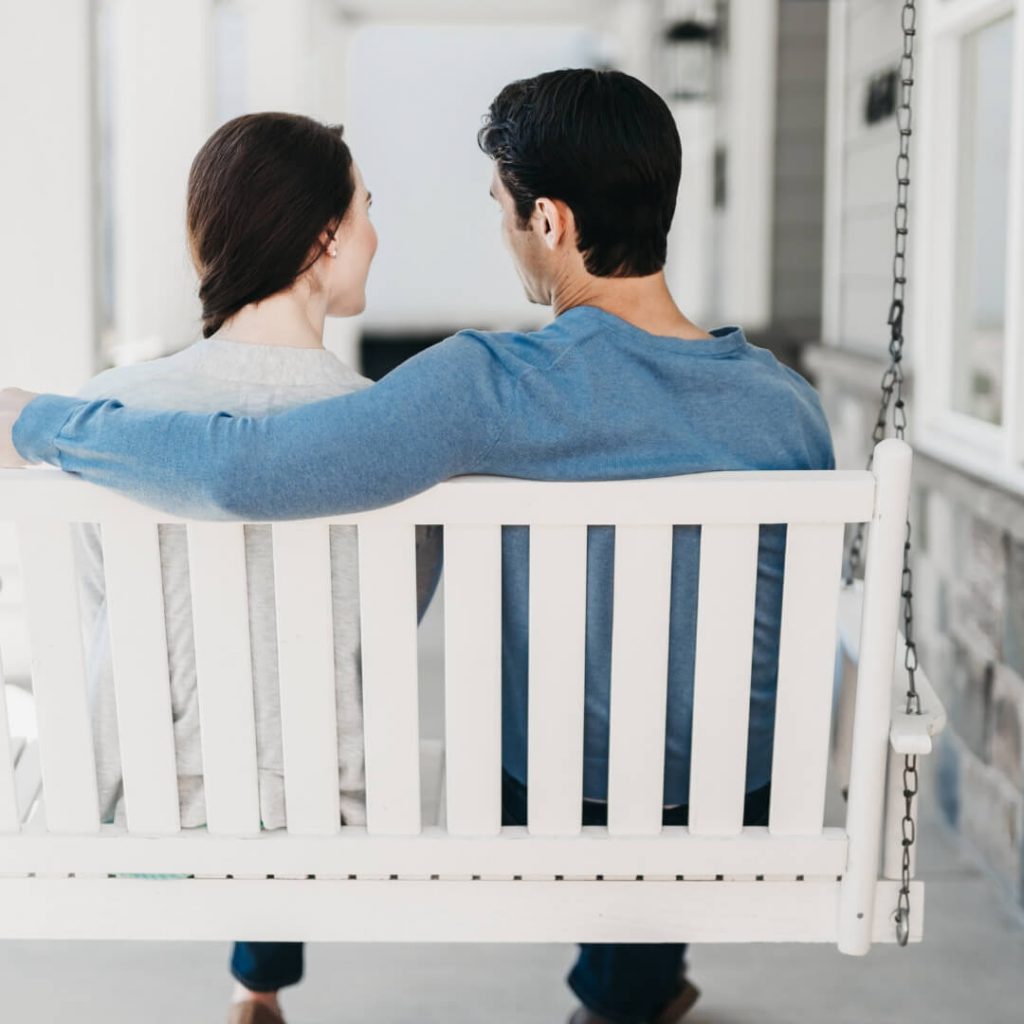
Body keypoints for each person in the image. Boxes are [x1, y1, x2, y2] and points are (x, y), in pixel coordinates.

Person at [3, 69, 834, 1024]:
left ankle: (271, 976)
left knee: (572, 740)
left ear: (552, 224)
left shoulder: (492, 385)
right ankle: (627, 995)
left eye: (504, 211)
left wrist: (38, 422)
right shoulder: (786, 407)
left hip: (555, 798)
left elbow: (251, 470)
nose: (503, 231)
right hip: (755, 793)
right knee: (663, 719)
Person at [66, 111, 440, 1022]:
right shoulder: (391, 430)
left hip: (154, 794)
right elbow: (397, 616)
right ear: (323, 239)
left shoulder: (102, 416)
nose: (374, 237)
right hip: (340, 801)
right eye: (365, 213)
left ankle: (253, 988)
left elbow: (99, 607)